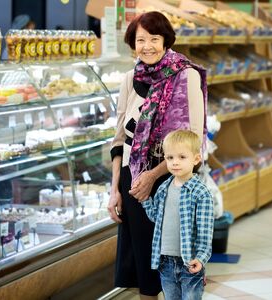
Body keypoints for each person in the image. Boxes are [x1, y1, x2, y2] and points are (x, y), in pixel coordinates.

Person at [108, 11, 208, 299]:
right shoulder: (130, 78)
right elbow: (118, 139)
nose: (147, 46)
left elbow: (193, 139)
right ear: (132, 43)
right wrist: (115, 189)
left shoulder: (185, 76)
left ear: (166, 41)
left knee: (175, 260)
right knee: (144, 268)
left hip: (172, 177)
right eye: (141, 40)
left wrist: (153, 175)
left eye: (154, 38)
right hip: (134, 177)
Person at [140, 129, 214, 300]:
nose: (175, 162)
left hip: (189, 262)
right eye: (170, 158)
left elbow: (205, 233)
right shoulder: (163, 189)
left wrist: (201, 258)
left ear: (196, 159)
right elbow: (157, 218)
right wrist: (145, 199)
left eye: (182, 157)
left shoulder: (200, 193)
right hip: (165, 262)